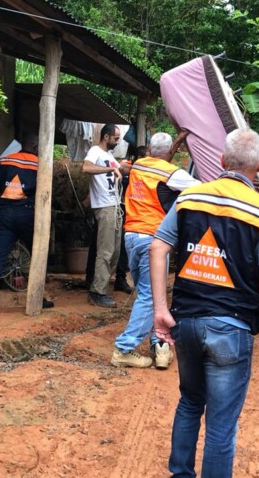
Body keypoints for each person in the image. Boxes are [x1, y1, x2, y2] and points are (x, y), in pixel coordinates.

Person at [150, 128, 259, 478]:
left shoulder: (190, 198)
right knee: (221, 425)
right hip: (232, 327)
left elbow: (157, 247)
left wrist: (161, 310)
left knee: (190, 402)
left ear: (223, 161)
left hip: (188, 323)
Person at [110, 132, 198, 369]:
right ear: (171, 152)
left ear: (149, 149)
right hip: (154, 239)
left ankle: (159, 347)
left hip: (131, 237)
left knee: (148, 295)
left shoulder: (139, 165)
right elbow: (201, 189)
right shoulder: (172, 173)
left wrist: (178, 139)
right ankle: (124, 348)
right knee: (151, 297)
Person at [0, 133, 53, 316]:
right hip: (28, 215)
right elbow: (46, 193)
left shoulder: (6, 160)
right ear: (35, 147)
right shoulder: (40, 165)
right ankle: (38, 299)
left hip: (4, 215)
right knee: (37, 256)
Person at [82, 124, 129, 308]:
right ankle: (97, 292)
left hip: (115, 206)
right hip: (105, 207)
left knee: (115, 252)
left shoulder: (109, 156)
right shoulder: (95, 151)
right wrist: (109, 170)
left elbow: (121, 169)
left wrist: (138, 167)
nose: (117, 142)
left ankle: (100, 287)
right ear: (106, 137)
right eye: (116, 138)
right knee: (106, 251)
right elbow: (86, 168)